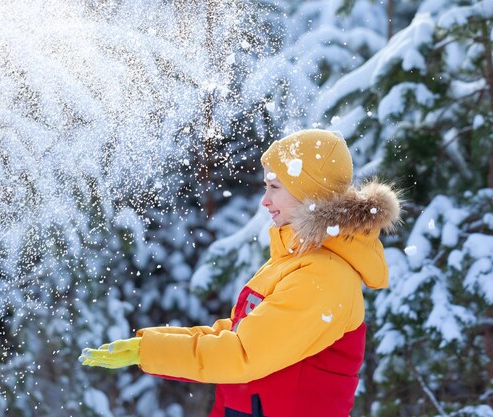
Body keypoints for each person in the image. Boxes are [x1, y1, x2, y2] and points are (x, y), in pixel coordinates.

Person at [80, 129, 401, 417]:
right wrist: (149, 345)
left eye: (275, 187)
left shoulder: (322, 278)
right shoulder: (294, 263)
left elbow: (242, 355)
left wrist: (151, 352)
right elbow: (238, 335)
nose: (265, 200)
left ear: (309, 193)